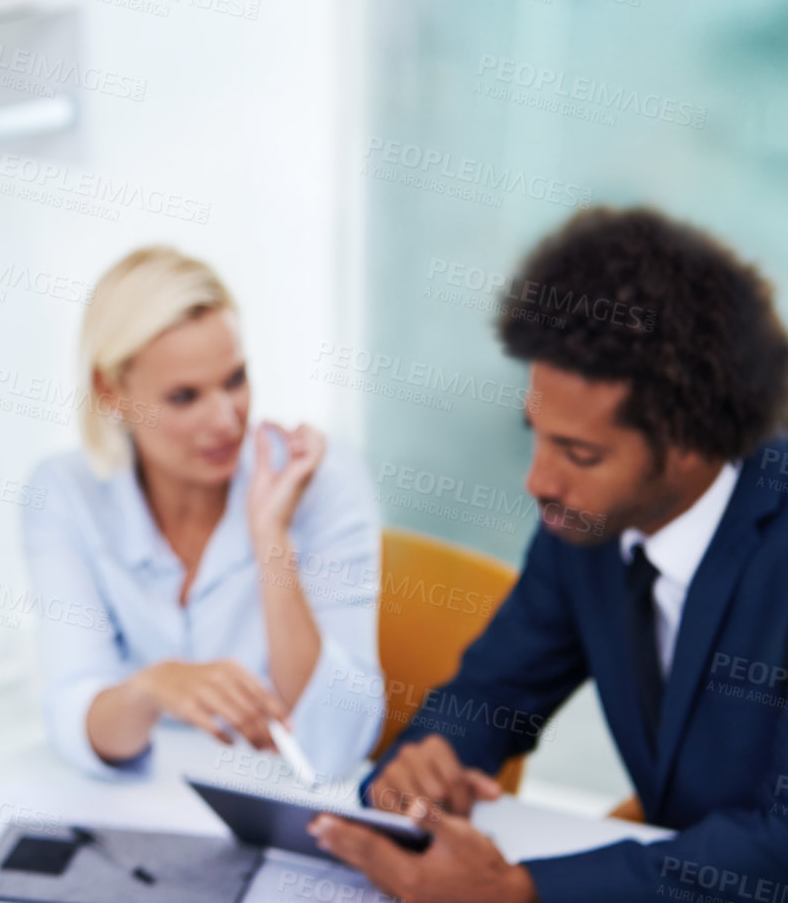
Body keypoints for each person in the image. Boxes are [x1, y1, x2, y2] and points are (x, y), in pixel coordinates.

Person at [312, 206, 788, 903]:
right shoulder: (586, 529)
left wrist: (519, 891)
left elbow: (779, 850)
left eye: (580, 453)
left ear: (691, 443)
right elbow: (494, 691)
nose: (538, 481)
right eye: (535, 433)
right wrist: (426, 763)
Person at [20, 246, 385, 782]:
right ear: (111, 391)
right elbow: (73, 713)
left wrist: (271, 537)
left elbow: (336, 744)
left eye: (235, 380)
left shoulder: (322, 477)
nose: (225, 421)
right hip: (148, 800)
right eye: (185, 397)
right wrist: (151, 689)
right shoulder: (65, 492)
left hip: (285, 801)